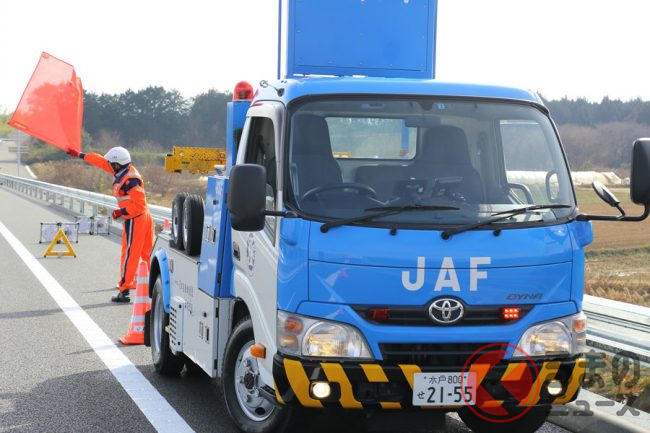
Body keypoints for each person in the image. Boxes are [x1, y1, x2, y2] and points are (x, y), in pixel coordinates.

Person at [68, 146, 154, 303]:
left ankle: (125, 290)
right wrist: (80, 155)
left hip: (136, 218)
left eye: (111, 163)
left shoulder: (130, 180)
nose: (108, 165)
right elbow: (101, 161)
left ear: (117, 164)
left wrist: (120, 212)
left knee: (130, 254)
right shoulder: (123, 170)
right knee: (146, 254)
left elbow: (139, 205)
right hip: (141, 217)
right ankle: (151, 286)